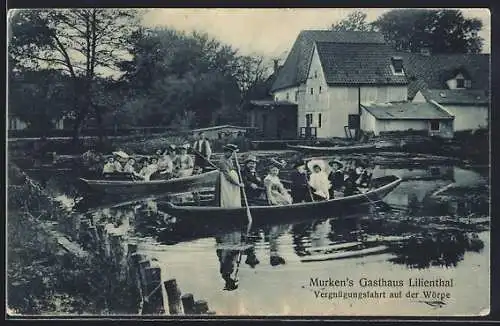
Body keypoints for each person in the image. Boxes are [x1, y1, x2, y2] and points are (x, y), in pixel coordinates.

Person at [214, 144, 243, 208]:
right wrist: (237, 184)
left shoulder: (229, 158)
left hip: (230, 183)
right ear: (226, 152)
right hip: (225, 182)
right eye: (231, 152)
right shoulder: (222, 162)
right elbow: (227, 176)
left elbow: (231, 168)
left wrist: (237, 168)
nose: (232, 154)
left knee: (232, 198)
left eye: (233, 153)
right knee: (226, 198)